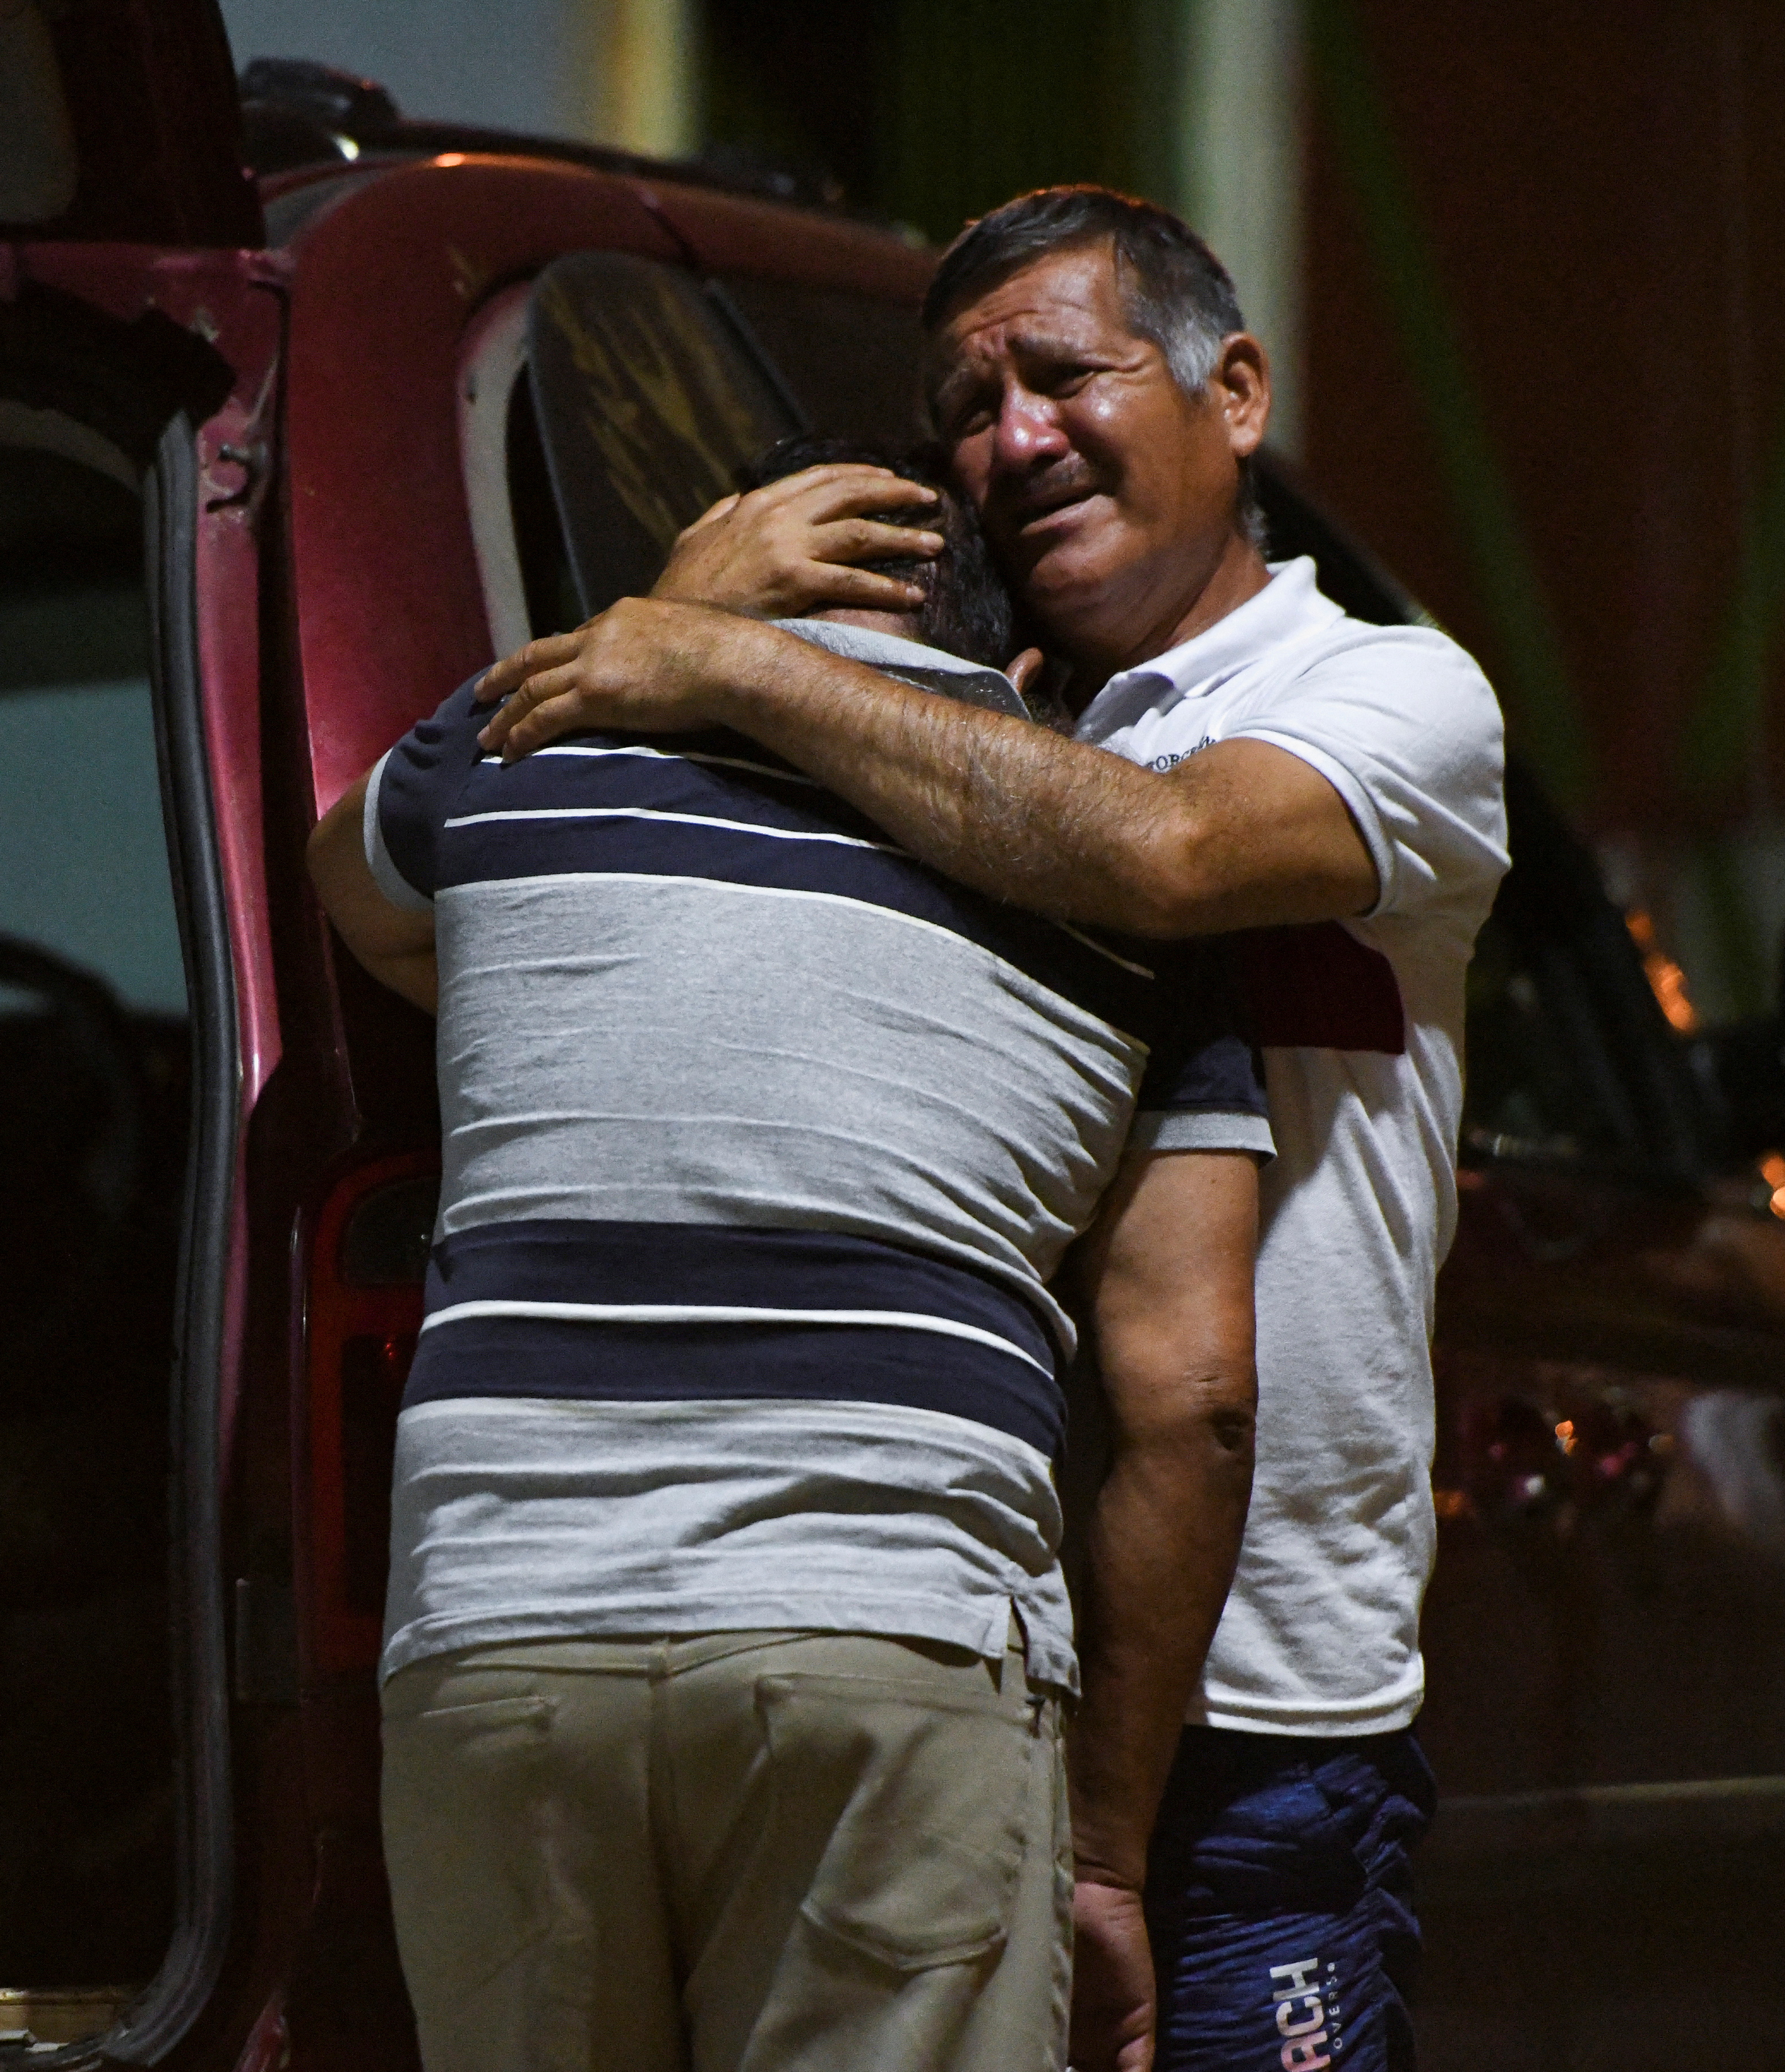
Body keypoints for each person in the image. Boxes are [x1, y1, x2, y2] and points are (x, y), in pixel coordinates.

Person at [470, 190, 1510, 2072]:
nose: (1011, 436)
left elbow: (1167, 856)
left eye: (1063, 373)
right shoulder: (932, 727)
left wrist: (715, 660)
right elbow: (485, 888)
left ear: (1237, 390)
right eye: (964, 403)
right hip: (960, 1671)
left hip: (1258, 1706)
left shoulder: (1386, 694)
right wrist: (699, 632)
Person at [307, 437, 1270, 2072]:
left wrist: (664, 632)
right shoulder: (1126, 893)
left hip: (503, 1632)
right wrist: (1106, 1854)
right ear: (1017, 659)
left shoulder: (519, 769)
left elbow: (350, 874)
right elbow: (1195, 1402)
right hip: (886, 1632)